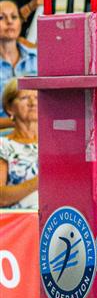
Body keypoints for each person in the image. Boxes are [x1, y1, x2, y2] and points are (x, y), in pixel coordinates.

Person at [0, 79, 37, 209]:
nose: (33, 103)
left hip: (60, 217)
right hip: (21, 218)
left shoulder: (57, 144)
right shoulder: (3, 145)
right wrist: (40, 181)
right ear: (10, 108)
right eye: (24, 98)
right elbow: (1, 198)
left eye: (37, 97)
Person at [0, 0, 36, 121]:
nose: (9, 22)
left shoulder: (37, 58)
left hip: (37, 128)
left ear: (20, 22)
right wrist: (17, 121)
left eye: (14, 17)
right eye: (1, 18)